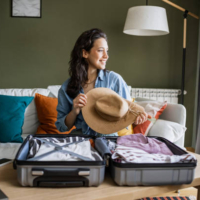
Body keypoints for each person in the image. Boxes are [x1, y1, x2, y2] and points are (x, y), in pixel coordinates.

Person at [56, 28, 148, 136]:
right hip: (79, 140)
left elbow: (128, 113)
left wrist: (136, 119)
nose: (106, 56)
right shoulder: (67, 87)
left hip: (108, 142)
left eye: (107, 51)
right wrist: (74, 111)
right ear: (85, 53)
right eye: (100, 50)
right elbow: (62, 127)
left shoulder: (114, 80)